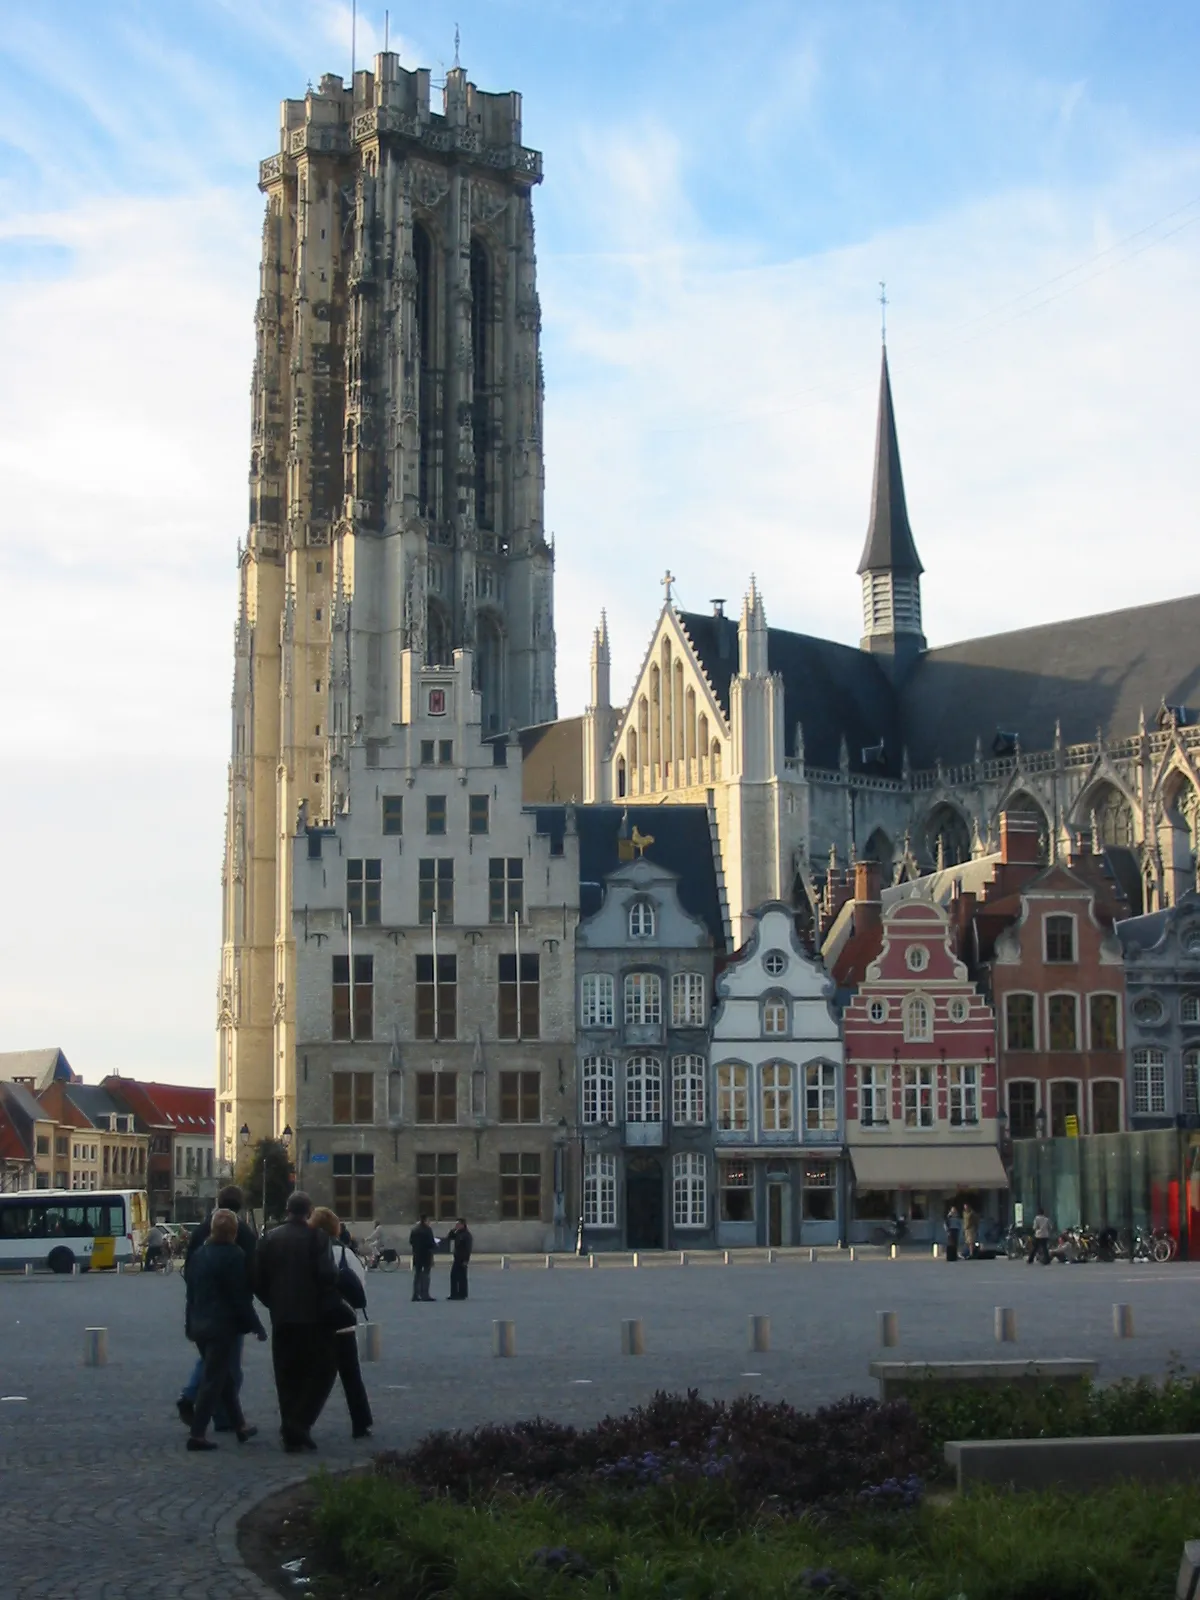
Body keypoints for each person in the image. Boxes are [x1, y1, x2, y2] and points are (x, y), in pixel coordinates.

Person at [254, 1190, 340, 1452]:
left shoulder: (269, 1238)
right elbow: (328, 1274)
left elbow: (257, 1278)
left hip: (281, 1316)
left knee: (286, 1374)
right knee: (322, 1370)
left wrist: (273, 1301)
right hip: (311, 1316)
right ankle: (300, 1423)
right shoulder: (318, 1238)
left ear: (287, 1210)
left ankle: (290, 1426)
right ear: (309, 1211)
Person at [184, 1208, 267, 1452]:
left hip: (199, 1323)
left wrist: (190, 1322)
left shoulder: (199, 1254)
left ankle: (239, 1425)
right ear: (233, 1232)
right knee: (213, 1379)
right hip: (222, 1326)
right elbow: (239, 1297)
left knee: (224, 1375)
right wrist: (256, 1325)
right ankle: (197, 1433)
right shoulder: (234, 1255)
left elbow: (191, 1293)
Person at [177, 1185, 258, 1429]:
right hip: (226, 1316)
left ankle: (197, 1401)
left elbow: (189, 1270)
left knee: (212, 1362)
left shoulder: (201, 1231)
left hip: (200, 1308)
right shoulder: (242, 1237)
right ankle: (215, 1419)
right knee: (228, 1369)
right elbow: (248, 1278)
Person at [311, 1206, 374, 1439]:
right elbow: (360, 1285)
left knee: (313, 1375)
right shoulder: (347, 1254)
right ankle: (361, 1422)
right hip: (344, 1319)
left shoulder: (313, 1252)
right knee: (351, 1375)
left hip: (317, 1321)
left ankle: (301, 1422)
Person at [409, 1214, 437, 1301]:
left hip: (417, 1254)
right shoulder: (428, 1230)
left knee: (417, 1275)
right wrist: (435, 1246)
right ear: (426, 1220)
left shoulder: (414, 1230)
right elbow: (431, 1243)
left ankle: (415, 1294)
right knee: (425, 1275)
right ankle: (425, 1294)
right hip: (426, 1255)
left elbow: (411, 1241)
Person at [447, 1218, 473, 1301]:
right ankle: (454, 1294)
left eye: (458, 1224)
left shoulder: (467, 1235)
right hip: (457, 1257)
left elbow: (468, 1248)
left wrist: (466, 1260)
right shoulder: (458, 1233)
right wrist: (453, 1230)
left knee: (462, 1277)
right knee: (453, 1276)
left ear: (463, 1225)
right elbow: (449, 1237)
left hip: (462, 1258)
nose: (456, 1226)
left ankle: (462, 1294)